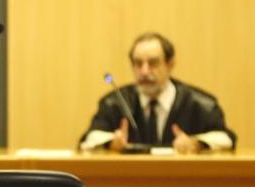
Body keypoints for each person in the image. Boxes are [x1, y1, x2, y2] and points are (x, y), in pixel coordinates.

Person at [80, 32, 236, 153]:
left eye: (153, 63)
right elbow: (88, 139)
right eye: (138, 63)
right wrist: (110, 142)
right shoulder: (115, 102)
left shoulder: (200, 103)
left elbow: (226, 138)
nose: (144, 71)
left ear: (170, 64)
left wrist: (197, 143)